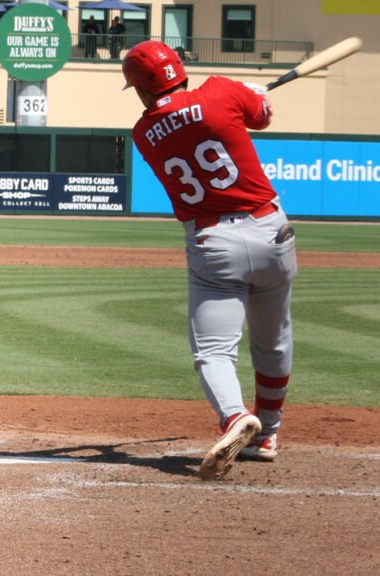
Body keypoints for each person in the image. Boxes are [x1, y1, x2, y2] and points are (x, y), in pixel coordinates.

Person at [122, 41, 296, 479]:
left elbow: (182, 119)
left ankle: (236, 417)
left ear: (143, 89)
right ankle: (268, 432)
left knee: (215, 352)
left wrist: (242, 95)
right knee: (272, 340)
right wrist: (251, 92)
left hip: (212, 241)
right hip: (270, 230)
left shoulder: (143, 133)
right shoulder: (221, 90)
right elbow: (263, 116)